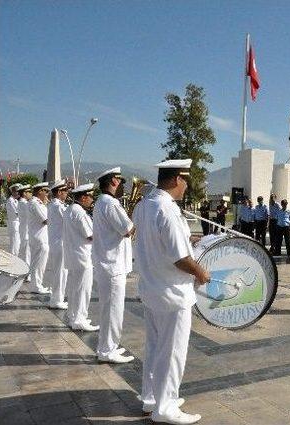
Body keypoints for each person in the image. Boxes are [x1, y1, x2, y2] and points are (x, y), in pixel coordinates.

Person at [133, 159, 206, 424]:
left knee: (155, 347)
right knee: (173, 351)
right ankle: (166, 408)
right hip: (173, 292)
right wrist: (201, 272)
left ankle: (152, 399)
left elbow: (157, 242)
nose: (186, 187)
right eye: (186, 181)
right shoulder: (168, 209)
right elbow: (180, 259)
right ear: (178, 179)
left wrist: (189, 240)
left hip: (152, 288)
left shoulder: (144, 205)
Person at [93, 167, 135, 364]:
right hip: (112, 266)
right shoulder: (110, 204)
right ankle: (107, 350)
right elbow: (127, 229)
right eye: (121, 182)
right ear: (114, 181)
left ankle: (107, 347)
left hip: (110, 265)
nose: (123, 186)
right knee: (113, 311)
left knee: (110, 310)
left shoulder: (105, 202)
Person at [64, 183, 99, 331]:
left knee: (74, 288)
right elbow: (91, 235)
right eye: (91, 196)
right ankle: (80, 319)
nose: (92, 200)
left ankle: (73, 316)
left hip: (73, 255)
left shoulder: (70, 209)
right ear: (84, 197)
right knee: (83, 290)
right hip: (82, 257)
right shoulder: (80, 213)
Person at [47, 179, 69, 309]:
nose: (67, 193)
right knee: (60, 272)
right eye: (65, 191)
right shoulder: (58, 206)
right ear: (59, 192)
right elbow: (69, 221)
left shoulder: (54, 205)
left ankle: (56, 298)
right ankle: (57, 300)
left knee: (60, 272)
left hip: (57, 242)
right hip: (60, 242)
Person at [28, 182, 51, 294]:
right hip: (39, 238)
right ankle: (36, 286)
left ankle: (37, 284)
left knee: (39, 263)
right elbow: (46, 220)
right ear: (39, 191)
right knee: (38, 263)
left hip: (40, 236)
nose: (47, 193)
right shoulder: (35, 203)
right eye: (45, 191)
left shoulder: (37, 203)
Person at [17, 184, 32, 266]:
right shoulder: (24, 203)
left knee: (24, 251)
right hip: (26, 230)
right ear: (24, 193)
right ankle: (27, 273)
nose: (31, 193)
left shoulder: (23, 202)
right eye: (29, 192)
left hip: (24, 229)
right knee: (27, 252)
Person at [6, 183, 21, 256]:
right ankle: (14, 257)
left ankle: (14, 256)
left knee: (16, 242)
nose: (18, 193)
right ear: (13, 192)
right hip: (14, 223)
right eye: (17, 191)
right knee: (15, 243)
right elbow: (17, 213)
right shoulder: (11, 201)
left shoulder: (16, 201)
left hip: (17, 223)